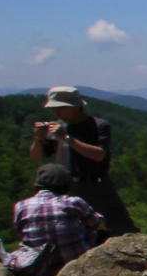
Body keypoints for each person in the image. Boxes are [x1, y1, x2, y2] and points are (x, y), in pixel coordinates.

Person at [29, 86, 136, 235]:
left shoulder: (98, 126)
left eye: (60, 108)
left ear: (76, 107)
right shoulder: (58, 127)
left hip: (95, 184)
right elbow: (37, 156)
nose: (56, 112)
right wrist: (39, 138)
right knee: (73, 228)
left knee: (119, 225)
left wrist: (66, 138)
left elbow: (99, 155)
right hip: (65, 186)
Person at [3, 163, 105, 276]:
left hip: (37, 264)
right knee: (101, 233)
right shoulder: (74, 202)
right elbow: (97, 223)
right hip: (74, 261)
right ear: (66, 185)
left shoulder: (21, 206)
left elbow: (20, 232)